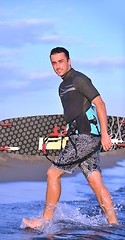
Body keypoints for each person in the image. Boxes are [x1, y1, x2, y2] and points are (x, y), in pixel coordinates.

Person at [23, 47, 118, 228]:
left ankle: (45, 221)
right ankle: (113, 223)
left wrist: (105, 134)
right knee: (95, 180)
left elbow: (100, 103)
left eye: (61, 61)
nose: (58, 66)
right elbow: (74, 112)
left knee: (52, 174)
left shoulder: (79, 79)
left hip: (85, 137)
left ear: (69, 61)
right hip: (79, 138)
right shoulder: (62, 87)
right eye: (54, 63)